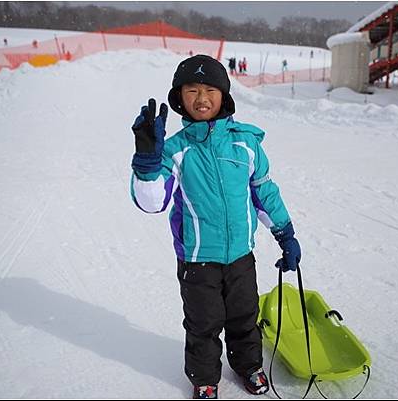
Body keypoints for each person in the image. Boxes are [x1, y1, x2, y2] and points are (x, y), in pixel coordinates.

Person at [129, 54, 301, 399]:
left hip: (240, 255)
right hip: (198, 259)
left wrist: (285, 233)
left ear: (224, 95)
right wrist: (148, 163)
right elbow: (152, 202)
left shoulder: (245, 142)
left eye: (210, 89)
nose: (202, 98)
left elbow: (263, 192)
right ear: (180, 97)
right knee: (203, 323)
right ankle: (205, 376)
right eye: (192, 90)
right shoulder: (174, 150)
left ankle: (248, 365)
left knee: (244, 316)